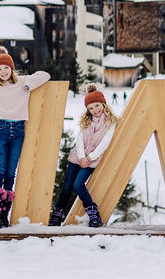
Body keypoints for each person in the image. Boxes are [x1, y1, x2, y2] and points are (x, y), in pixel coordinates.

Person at [0, 46, 49, 228]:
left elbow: (45, 75)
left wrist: (30, 85)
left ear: (11, 68)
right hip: (2, 129)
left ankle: (5, 213)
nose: (3, 72)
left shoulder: (22, 82)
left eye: (5, 68)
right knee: (0, 170)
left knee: (11, 173)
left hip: (19, 130)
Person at [48, 83, 119, 228]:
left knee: (78, 184)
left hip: (92, 161)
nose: (95, 110)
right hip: (77, 158)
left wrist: (89, 158)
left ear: (103, 104)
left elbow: (104, 143)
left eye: (97, 106)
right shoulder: (86, 121)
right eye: (91, 108)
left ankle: (94, 215)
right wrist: (81, 157)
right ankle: (57, 214)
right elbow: (79, 140)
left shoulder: (111, 123)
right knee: (67, 187)